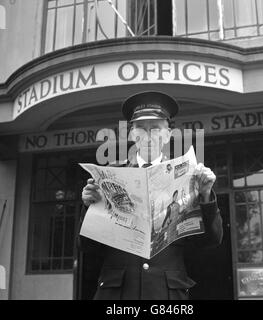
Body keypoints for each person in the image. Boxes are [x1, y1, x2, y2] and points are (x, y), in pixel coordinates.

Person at [79, 91, 223, 300]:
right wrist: (88, 206)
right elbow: (87, 247)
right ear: (131, 134)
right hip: (118, 295)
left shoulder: (188, 177)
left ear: (167, 134)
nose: (148, 135)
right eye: (141, 128)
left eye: (155, 128)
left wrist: (206, 195)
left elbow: (211, 240)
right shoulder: (109, 177)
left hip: (166, 295)